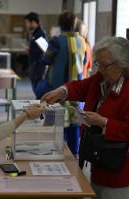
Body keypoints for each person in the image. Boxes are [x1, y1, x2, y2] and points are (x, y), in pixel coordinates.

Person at [41, 37, 129, 198]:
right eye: (98, 64)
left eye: (104, 65)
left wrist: (102, 122)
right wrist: (62, 91)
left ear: (122, 64)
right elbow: (81, 87)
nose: (100, 69)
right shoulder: (103, 77)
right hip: (99, 159)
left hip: (120, 168)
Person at [36, 11, 87, 157]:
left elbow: (46, 60)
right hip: (77, 88)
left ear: (60, 24)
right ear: (74, 23)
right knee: (75, 122)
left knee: (58, 124)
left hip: (58, 88)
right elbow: (83, 62)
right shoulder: (82, 41)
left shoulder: (56, 41)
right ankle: (74, 155)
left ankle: (58, 154)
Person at [24, 12, 47, 95]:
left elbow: (42, 50)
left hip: (38, 65)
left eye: (27, 22)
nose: (26, 25)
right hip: (34, 65)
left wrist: (30, 50)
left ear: (33, 22)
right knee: (35, 87)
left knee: (38, 89)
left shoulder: (40, 33)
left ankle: (41, 106)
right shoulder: (35, 33)